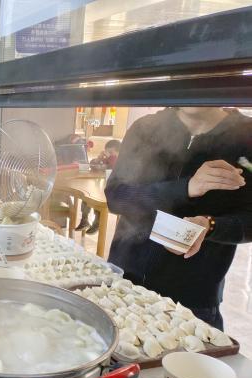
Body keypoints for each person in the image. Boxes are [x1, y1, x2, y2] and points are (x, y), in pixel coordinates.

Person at [105, 107, 252, 329]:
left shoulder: (245, 136)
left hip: (193, 299)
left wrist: (210, 226)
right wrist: (186, 188)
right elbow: (116, 197)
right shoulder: (145, 129)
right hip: (125, 281)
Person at [75, 139, 120, 234]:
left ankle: (97, 223)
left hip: (115, 192)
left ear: (118, 152)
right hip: (103, 186)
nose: (109, 154)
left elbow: (114, 166)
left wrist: (110, 157)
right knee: (87, 195)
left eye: (111, 152)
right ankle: (84, 220)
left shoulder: (119, 160)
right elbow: (93, 164)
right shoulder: (108, 159)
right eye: (108, 152)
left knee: (97, 198)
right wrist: (99, 159)